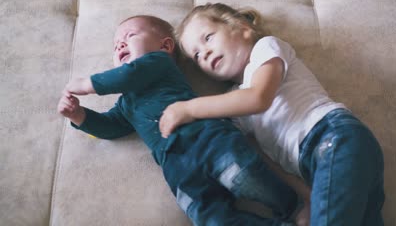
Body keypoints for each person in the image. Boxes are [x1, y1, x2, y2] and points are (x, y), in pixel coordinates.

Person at [57, 15, 304, 226]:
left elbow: (129, 74)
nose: (120, 43)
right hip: (175, 165)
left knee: (245, 177)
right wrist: (79, 116)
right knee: (207, 216)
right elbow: (111, 127)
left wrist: (89, 84)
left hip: (206, 138)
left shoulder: (158, 64)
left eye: (129, 35)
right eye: (115, 44)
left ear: (165, 46)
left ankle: (293, 207)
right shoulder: (125, 104)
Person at [159, 3, 385, 226]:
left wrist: (188, 108)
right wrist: (307, 198)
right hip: (316, 166)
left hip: (334, 137)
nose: (205, 53)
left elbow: (259, 97)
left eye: (208, 38)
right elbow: (264, 160)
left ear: (242, 27)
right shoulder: (232, 105)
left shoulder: (266, 49)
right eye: (197, 56)